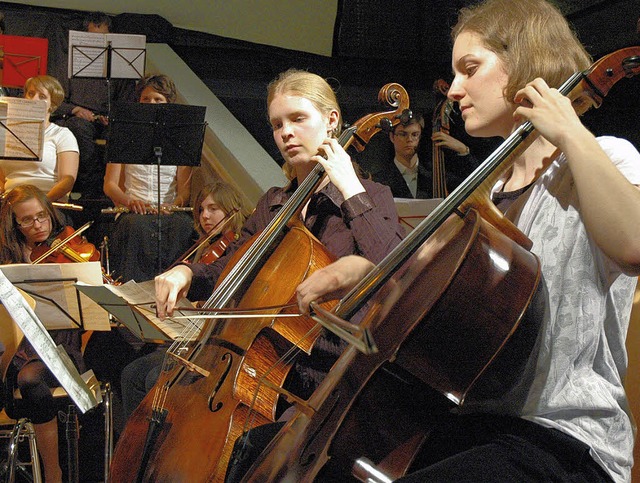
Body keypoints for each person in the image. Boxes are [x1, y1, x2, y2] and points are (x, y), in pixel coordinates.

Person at [295, 1, 640, 482]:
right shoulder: (487, 191)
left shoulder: (603, 158)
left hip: (565, 439)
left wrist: (570, 131)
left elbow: (633, 244)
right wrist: (371, 273)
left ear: (526, 62)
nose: (455, 90)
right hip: (473, 424)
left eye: (470, 69)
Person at [119, 179, 252, 421]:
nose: (205, 216)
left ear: (231, 209)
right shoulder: (202, 247)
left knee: (153, 378)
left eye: (214, 209)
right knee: (131, 373)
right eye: (201, 209)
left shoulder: (236, 247)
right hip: (185, 336)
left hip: (211, 340)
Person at [0, 184, 86, 483]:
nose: (37, 225)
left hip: (59, 347)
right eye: (27, 220)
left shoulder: (69, 249)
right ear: (14, 224)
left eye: (42, 217)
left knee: (29, 379)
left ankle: (53, 472)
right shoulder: (7, 259)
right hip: (16, 346)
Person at [103, 73, 196, 283]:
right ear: (138, 102)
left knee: (183, 226)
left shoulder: (180, 136)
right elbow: (110, 185)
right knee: (135, 226)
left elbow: (184, 192)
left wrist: (172, 206)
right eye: (146, 99)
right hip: (133, 209)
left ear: (168, 104)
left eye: (158, 100)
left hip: (169, 209)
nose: (152, 104)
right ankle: (131, 292)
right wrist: (131, 202)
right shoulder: (124, 133)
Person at [54, 11, 136, 199]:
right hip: (79, 119)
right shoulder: (69, 64)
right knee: (78, 128)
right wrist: (76, 110)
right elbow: (56, 100)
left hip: (108, 121)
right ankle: (92, 186)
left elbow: (127, 102)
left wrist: (114, 116)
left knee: (121, 132)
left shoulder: (120, 66)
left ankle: (111, 186)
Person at [0, 75, 79, 202]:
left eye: (42, 96)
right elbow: (2, 179)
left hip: (48, 201)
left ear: (51, 105)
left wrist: (42, 203)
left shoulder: (62, 134)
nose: (34, 99)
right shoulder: (8, 132)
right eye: (30, 94)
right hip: (11, 202)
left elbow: (67, 180)